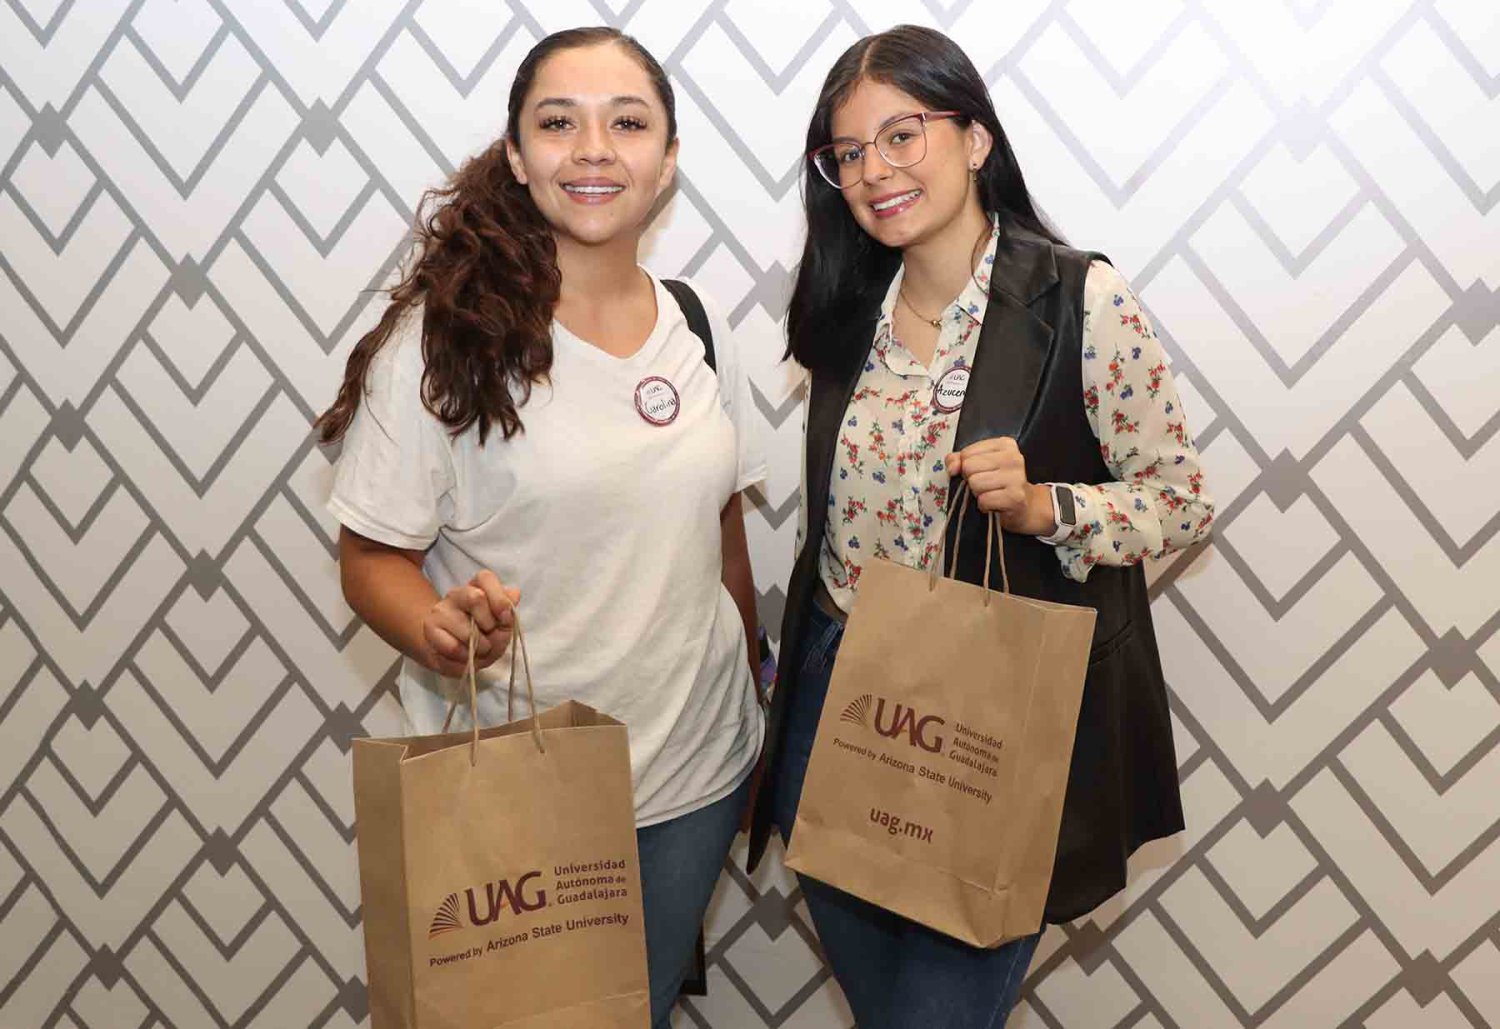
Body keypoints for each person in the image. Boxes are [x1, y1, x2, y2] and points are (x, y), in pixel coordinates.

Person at [746, 24, 1214, 1028]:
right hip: (837, 689)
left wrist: (1049, 506)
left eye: (902, 135)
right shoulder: (844, 309)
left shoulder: (1080, 298)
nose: (875, 171)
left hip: (985, 713)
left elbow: (1180, 499)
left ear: (975, 138)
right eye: (848, 153)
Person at [317, 27, 766, 1026]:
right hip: (518, 786)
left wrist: (758, 709)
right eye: (559, 123)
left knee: (637, 1008)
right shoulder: (442, 344)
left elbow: (722, 531)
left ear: (668, 159)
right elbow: (372, 557)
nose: (594, 148)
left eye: (628, 123)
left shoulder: (698, 324)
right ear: (518, 157)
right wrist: (437, 627)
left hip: (695, 773)